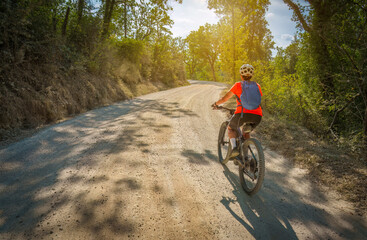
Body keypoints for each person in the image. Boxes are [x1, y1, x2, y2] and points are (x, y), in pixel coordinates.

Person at [212, 64, 262, 158]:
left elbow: (225, 98)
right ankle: (246, 157)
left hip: (242, 114)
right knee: (246, 132)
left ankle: (234, 148)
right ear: (251, 75)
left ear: (241, 75)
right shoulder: (257, 86)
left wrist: (216, 104)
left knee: (231, 128)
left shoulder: (238, 85)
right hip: (257, 116)